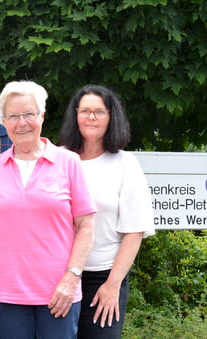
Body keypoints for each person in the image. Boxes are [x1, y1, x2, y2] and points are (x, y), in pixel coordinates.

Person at [0, 80, 97, 338]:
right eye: (14, 116)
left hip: (58, 294)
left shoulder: (69, 162)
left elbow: (86, 226)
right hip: (4, 297)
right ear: (4, 121)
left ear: (42, 116)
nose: (22, 122)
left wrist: (71, 279)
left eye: (29, 114)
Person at [58, 84, 155, 338]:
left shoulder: (125, 164)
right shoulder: (58, 159)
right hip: (57, 275)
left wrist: (112, 285)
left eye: (99, 112)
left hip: (103, 278)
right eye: (85, 111)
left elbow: (134, 232)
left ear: (111, 118)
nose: (91, 117)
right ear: (75, 115)